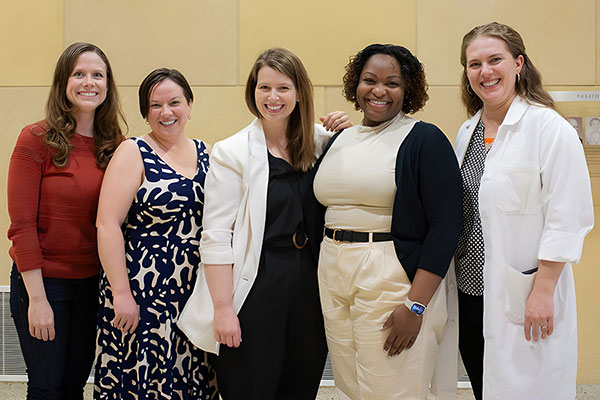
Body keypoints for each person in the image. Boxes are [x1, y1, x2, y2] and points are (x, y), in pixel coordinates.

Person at [177, 47, 351, 400]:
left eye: (283, 88)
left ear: (300, 92)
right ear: (253, 92)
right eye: (264, 87)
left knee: (300, 385)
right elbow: (215, 236)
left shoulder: (321, 143)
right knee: (250, 387)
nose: (273, 97)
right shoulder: (232, 151)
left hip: (311, 283)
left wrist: (347, 131)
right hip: (256, 283)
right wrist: (223, 309)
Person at [312, 44, 462, 400]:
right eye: (369, 80)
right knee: (352, 385)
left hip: (390, 273)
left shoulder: (423, 139)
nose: (379, 91)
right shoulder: (340, 140)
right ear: (356, 85)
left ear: (408, 89)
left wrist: (415, 305)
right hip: (333, 268)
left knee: (393, 388)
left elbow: (446, 226)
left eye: (392, 83)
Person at [455, 22, 594, 400]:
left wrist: (543, 291)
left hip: (525, 293)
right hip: (470, 292)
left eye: (494, 60)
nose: (485, 71)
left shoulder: (549, 129)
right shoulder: (466, 132)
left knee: (530, 390)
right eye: (474, 64)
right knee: (486, 386)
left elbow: (569, 217)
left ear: (518, 64)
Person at [7, 42, 125, 400]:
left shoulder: (115, 146)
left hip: (91, 285)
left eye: (97, 75)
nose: (89, 82)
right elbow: (21, 226)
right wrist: (38, 300)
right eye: (79, 74)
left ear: (107, 85)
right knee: (46, 387)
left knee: (75, 385)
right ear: (64, 82)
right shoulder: (36, 139)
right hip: (45, 285)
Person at [94, 68, 218, 399]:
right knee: (141, 382)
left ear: (190, 105)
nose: (166, 113)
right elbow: (107, 224)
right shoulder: (133, 152)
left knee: (190, 382)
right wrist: (121, 294)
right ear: (145, 112)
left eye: (174, 102)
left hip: (193, 295)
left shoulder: (208, 153)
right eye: (155, 106)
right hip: (141, 293)